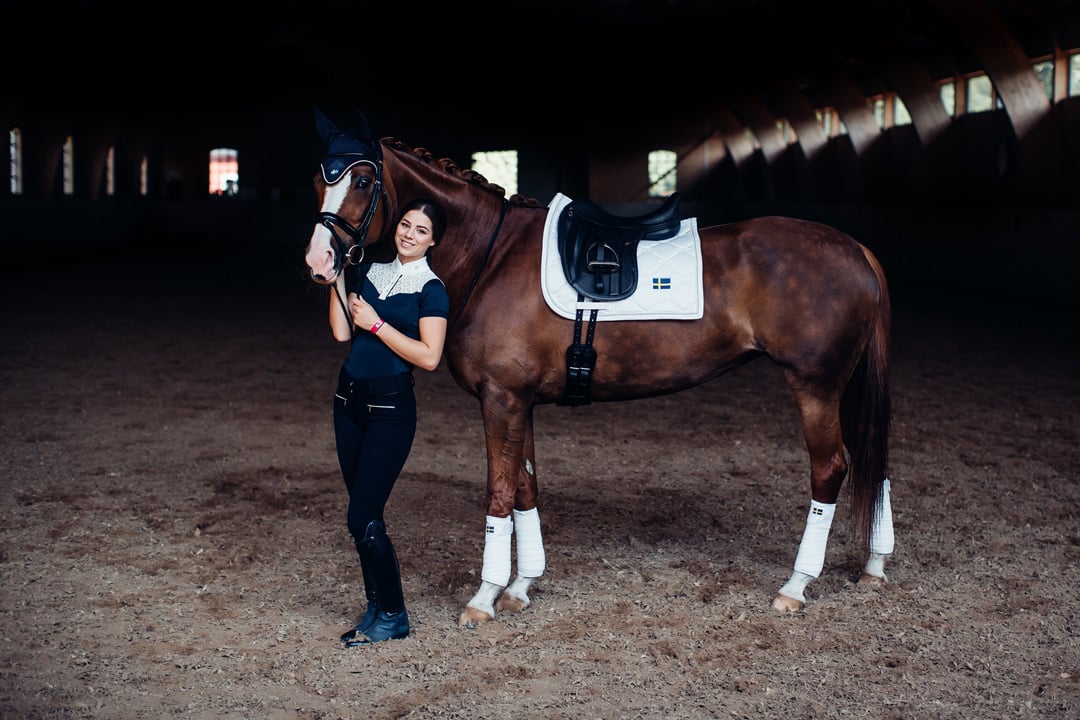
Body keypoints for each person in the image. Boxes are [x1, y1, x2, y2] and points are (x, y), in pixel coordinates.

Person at [328, 198, 449, 646]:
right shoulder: (371, 272)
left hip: (390, 411)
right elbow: (342, 332)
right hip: (348, 402)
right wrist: (336, 274)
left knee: (360, 516)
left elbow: (430, 357)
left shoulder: (432, 289)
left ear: (433, 240)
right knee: (366, 517)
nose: (409, 234)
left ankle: (394, 614)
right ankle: (377, 607)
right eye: (405, 224)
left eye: (421, 230)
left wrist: (377, 325)